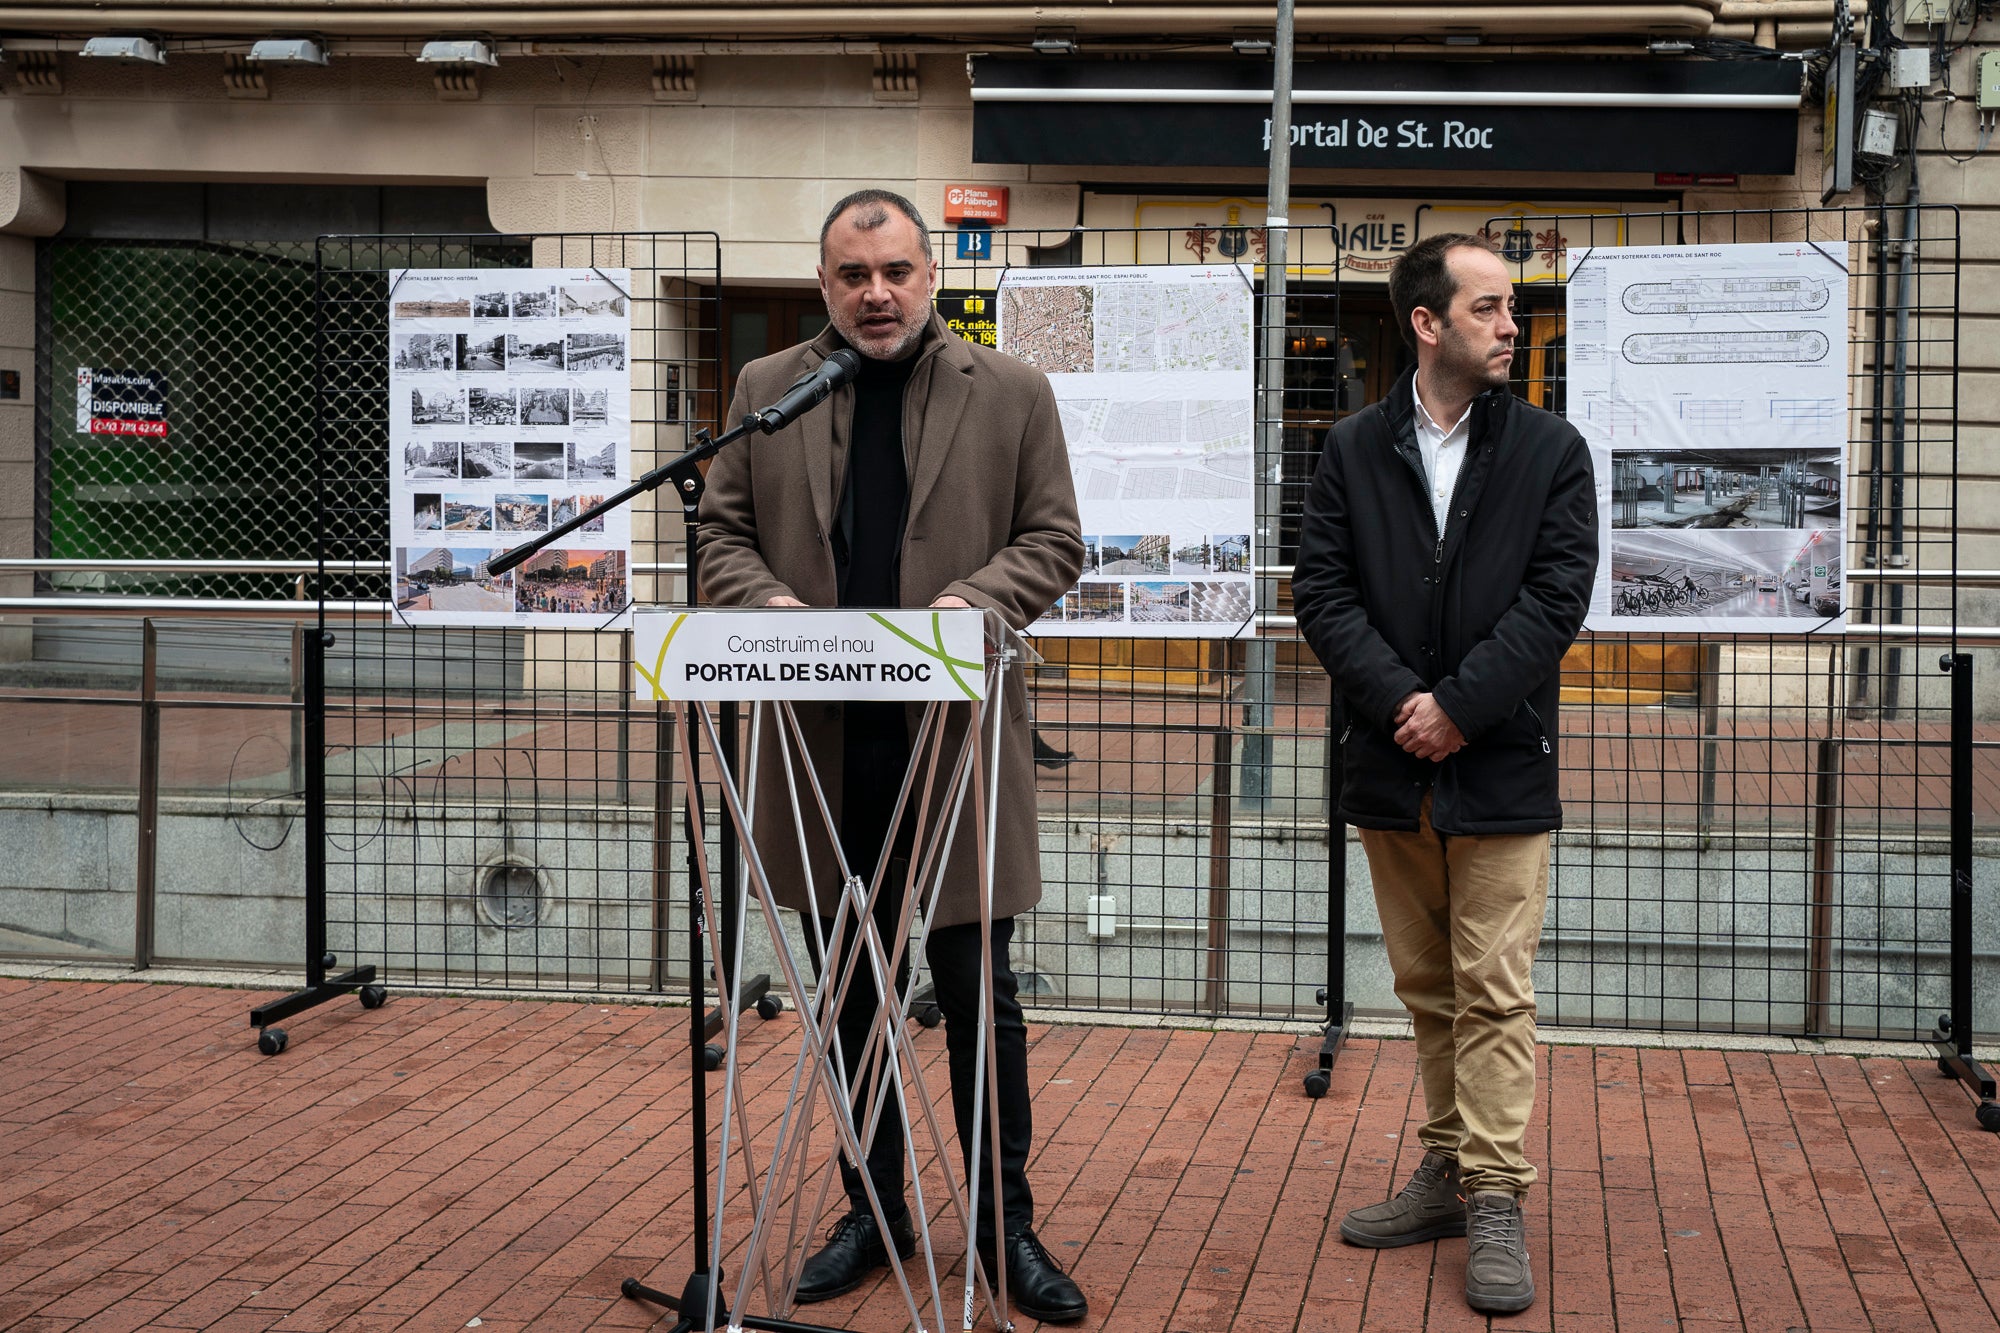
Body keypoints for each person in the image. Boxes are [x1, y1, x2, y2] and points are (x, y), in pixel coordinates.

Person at [698, 188, 1088, 1324]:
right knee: (849, 995)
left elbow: (1055, 538)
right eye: (853, 274)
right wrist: (764, 602)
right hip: (819, 747)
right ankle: (873, 1207)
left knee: (977, 992)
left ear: (931, 275)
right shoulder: (766, 388)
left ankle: (1002, 1224)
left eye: (896, 271)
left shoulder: (1010, 390)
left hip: (955, 746)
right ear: (823, 283)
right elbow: (719, 531)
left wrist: (972, 601)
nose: (876, 293)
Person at [1290, 233, 1598, 1315]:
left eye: (1510, 307)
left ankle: (1495, 1193)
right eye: (1487, 307)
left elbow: (1557, 596)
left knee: (1494, 988)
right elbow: (1321, 592)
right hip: (1392, 766)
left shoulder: (1550, 449)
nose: (1510, 325)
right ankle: (1449, 1166)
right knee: (1427, 986)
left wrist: (1459, 707)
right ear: (1426, 323)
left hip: (1500, 763)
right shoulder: (1351, 447)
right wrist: (1401, 705)